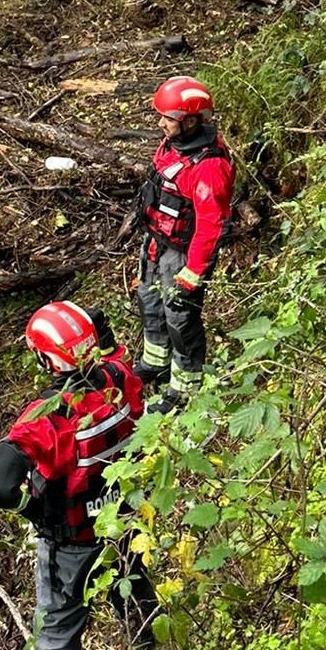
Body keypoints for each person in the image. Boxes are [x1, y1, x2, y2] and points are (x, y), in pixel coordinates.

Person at [0, 300, 156, 650]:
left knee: (58, 630)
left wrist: (32, 506)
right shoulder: (119, 378)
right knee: (130, 585)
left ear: (45, 358)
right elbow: (114, 355)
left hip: (71, 540)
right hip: (122, 519)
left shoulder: (50, 418)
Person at [134, 75, 234, 406]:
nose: (162, 124)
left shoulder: (208, 166)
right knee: (150, 301)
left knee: (181, 318)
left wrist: (192, 274)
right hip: (157, 241)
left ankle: (185, 387)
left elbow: (211, 224)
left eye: (169, 118)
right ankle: (156, 361)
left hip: (182, 253)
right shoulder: (173, 146)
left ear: (190, 120)